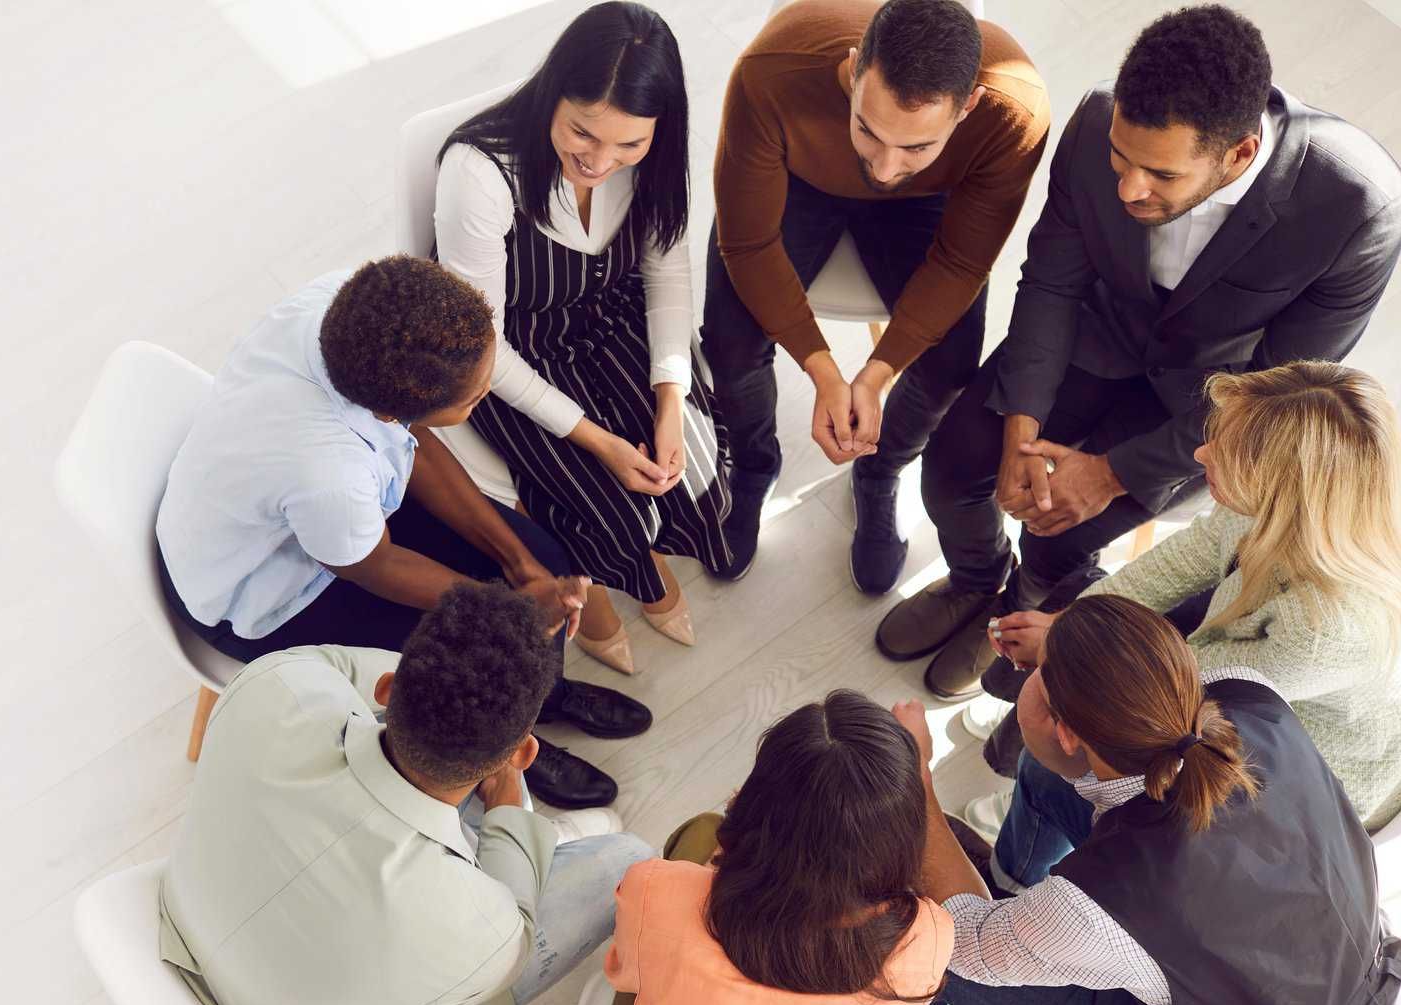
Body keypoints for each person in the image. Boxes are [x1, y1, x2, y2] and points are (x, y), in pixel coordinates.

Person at [877, 6, 1401, 699]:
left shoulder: (1360, 206)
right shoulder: (1098, 115)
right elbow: (1051, 280)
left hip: (1211, 402)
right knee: (952, 465)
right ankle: (973, 581)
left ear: (1240, 154)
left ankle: (1023, 605)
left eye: (1159, 176)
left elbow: (1276, 398)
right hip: (1091, 337)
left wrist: (1111, 474)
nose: (1130, 188)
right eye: (1120, 162)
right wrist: (1022, 427)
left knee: (1060, 539)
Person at [911, 595, 1401, 1005]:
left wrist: (918, 782)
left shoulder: (1101, 903)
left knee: (922, 921)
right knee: (1047, 784)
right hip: (1344, 985)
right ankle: (1014, 891)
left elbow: (965, 941)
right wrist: (1078, 653)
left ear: (1067, 731)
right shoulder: (1247, 695)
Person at [158, 257, 652, 807]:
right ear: (394, 410)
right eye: (474, 398)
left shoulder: (348, 313)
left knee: (541, 555)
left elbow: (413, 448)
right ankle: (503, 753)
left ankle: (543, 695)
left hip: (312, 518)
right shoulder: (327, 473)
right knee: (473, 661)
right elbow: (376, 565)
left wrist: (520, 565)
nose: (485, 394)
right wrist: (506, 611)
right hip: (259, 590)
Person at [157, 583, 657, 1005]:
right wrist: (509, 807)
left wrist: (439, 690)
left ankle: (534, 834)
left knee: (434, 787)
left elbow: (338, 669)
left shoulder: (278, 685)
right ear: (525, 752)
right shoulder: (476, 933)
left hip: (188, 924)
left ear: (390, 686)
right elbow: (513, 931)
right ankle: (541, 836)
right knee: (624, 860)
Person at [980, 363, 1401, 829]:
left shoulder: (1327, 629)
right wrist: (1069, 623)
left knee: (1047, 774)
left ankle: (1021, 859)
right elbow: (1184, 560)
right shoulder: (1334, 496)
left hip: (1302, 794)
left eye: (1228, 452)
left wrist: (1068, 651)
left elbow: (1190, 691)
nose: (1202, 453)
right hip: (1258, 672)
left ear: (1281, 491)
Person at [430, 1, 738, 675]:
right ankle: (609, 587)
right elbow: (482, 344)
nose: (601, 162)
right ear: (552, 97)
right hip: (513, 350)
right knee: (612, 509)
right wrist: (594, 438)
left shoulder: (652, 153)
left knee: (696, 470)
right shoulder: (480, 174)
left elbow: (665, 274)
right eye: (582, 134)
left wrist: (667, 397)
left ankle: (642, 555)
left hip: (612, 313)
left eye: (629, 145)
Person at [700, 0, 1049, 590]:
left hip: (926, 202)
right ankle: (753, 464)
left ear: (965, 108)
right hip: (798, 178)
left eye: (916, 145)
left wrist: (877, 374)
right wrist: (824, 369)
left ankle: (881, 468)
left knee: (951, 363)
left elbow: (962, 261)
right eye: (867, 128)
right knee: (730, 341)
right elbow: (748, 244)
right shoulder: (769, 72)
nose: (885, 168)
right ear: (855, 67)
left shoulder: (1013, 109)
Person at [597, 691, 952, 1005]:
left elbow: (624, 976)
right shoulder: (929, 935)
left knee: (689, 853)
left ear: (753, 801)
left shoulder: (659, 891)